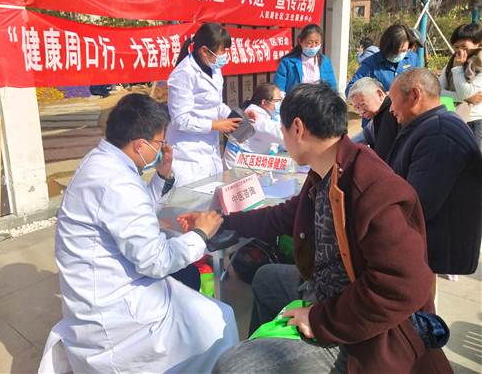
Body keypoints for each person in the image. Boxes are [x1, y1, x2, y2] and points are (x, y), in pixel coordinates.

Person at [179, 83, 451, 373]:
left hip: (361, 328)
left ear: (297, 128)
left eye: (282, 129)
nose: (283, 137)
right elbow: (284, 215)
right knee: (266, 278)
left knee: (232, 367)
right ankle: (270, 349)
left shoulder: (373, 187)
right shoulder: (326, 171)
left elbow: (404, 285)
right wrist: (222, 220)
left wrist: (321, 319)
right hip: (325, 290)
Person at [40, 94, 239, 373]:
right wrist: (200, 234)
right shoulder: (118, 182)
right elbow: (155, 261)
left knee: (191, 286)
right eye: (160, 143)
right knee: (219, 318)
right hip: (115, 313)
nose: (162, 149)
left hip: (112, 283)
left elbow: (134, 213)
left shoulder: (101, 161)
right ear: (140, 144)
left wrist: (163, 175)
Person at [386, 68, 482, 279]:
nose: (391, 109)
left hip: (431, 251)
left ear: (415, 95)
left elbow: (417, 206)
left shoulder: (439, 133)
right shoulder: (431, 125)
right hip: (425, 249)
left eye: (392, 100)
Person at [166, 23, 257, 186]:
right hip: (187, 154)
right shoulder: (183, 74)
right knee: (191, 198)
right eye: (222, 51)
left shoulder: (214, 69)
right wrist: (215, 125)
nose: (225, 55)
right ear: (204, 51)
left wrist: (236, 117)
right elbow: (180, 120)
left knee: (211, 193)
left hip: (209, 150)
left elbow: (216, 105)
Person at [223, 82, 286, 169]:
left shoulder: (271, 113)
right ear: (264, 103)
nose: (280, 103)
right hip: (240, 164)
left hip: (255, 161)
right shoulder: (254, 117)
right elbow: (280, 135)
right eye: (278, 101)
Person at [439, 23, 482, 150]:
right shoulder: (450, 65)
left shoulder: (479, 65)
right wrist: (466, 98)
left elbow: (465, 92)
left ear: (477, 44)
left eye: (464, 47)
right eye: (456, 47)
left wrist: (458, 68)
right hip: (455, 117)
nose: (460, 51)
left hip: (475, 120)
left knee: (473, 157)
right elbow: (438, 91)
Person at [346, 24, 419, 96]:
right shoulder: (371, 63)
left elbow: (419, 82)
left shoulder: (412, 58)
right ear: (386, 47)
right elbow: (350, 90)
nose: (400, 54)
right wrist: (377, 96)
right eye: (395, 52)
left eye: (403, 50)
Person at [272, 24, 337, 95]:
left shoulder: (325, 62)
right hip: (295, 101)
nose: (313, 46)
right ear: (300, 41)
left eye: (316, 42)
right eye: (309, 43)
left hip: (319, 101)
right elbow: (279, 89)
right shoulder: (287, 62)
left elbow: (332, 87)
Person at [348, 77, 400, 160]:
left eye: (363, 104)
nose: (362, 111)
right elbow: (362, 137)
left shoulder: (393, 114)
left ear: (379, 94)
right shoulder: (376, 118)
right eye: (357, 108)